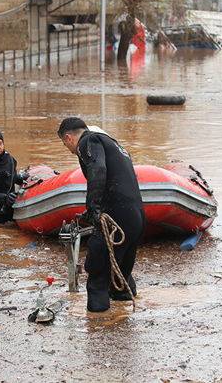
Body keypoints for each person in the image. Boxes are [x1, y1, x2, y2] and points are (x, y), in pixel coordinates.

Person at [57, 117, 145, 312]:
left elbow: (98, 169)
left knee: (97, 271)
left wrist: (93, 209)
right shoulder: (112, 142)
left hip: (115, 214)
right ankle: (122, 310)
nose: (68, 149)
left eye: (65, 144)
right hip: (136, 214)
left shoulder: (88, 142)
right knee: (120, 269)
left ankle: (97, 324)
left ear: (69, 137)